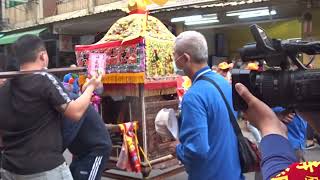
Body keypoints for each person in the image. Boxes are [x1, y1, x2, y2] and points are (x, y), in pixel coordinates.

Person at [0, 35, 103, 180]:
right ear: (42, 56)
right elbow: (76, 112)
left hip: (9, 168)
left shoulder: (4, 89)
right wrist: (91, 86)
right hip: (45, 170)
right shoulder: (44, 79)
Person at [170, 31, 243, 180]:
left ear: (185, 58)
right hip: (232, 171)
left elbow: (197, 150)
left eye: (174, 55)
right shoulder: (224, 83)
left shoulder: (194, 96)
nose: (174, 60)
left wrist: (177, 149)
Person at [234, 83, 320, 179]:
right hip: (278, 146)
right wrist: (275, 117)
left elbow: (279, 176)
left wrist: (268, 126)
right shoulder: (268, 86)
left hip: (295, 145)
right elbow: (246, 113)